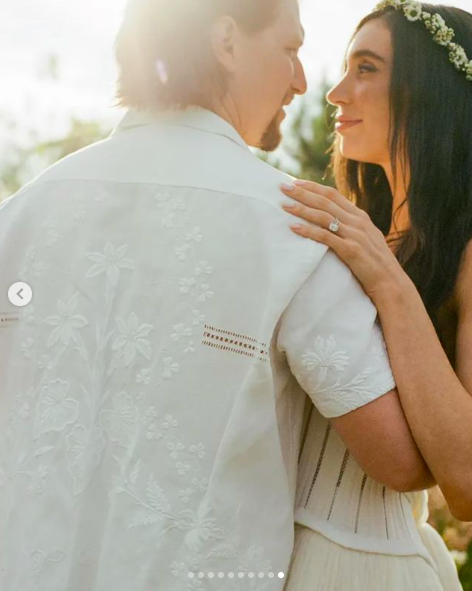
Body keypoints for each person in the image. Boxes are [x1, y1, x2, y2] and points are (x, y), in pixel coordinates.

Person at [0, 0, 434, 590]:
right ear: (226, 43)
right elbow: (401, 462)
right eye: (290, 49)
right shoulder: (298, 229)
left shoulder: (18, 217)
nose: (303, 81)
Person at [281, 1, 472, 590]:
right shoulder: (363, 233)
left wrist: (388, 282)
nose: (336, 92)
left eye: (366, 68)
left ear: (430, 92)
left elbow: (467, 485)